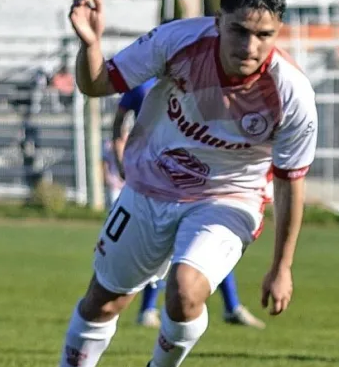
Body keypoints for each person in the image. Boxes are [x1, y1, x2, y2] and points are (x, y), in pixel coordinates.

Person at [29, 0, 318, 367]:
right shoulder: (178, 41)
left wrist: (282, 266)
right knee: (104, 300)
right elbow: (97, 84)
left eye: (264, 35)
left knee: (186, 290)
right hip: (150, 187)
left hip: (230, 198)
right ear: (218, 20)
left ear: (277, 33)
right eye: (240, 31)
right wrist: (89, 44)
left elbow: (290, 183)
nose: (251, 45)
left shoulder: (292, 93)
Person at [111, 77, 267, 330]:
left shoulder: (199, 78)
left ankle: (232, 306)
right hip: (154, 180)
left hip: (197, 181)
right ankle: (147, 310)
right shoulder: (143, 86)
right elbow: (118, 124)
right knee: (160, 249)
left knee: (207, 243)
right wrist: (121, 163)